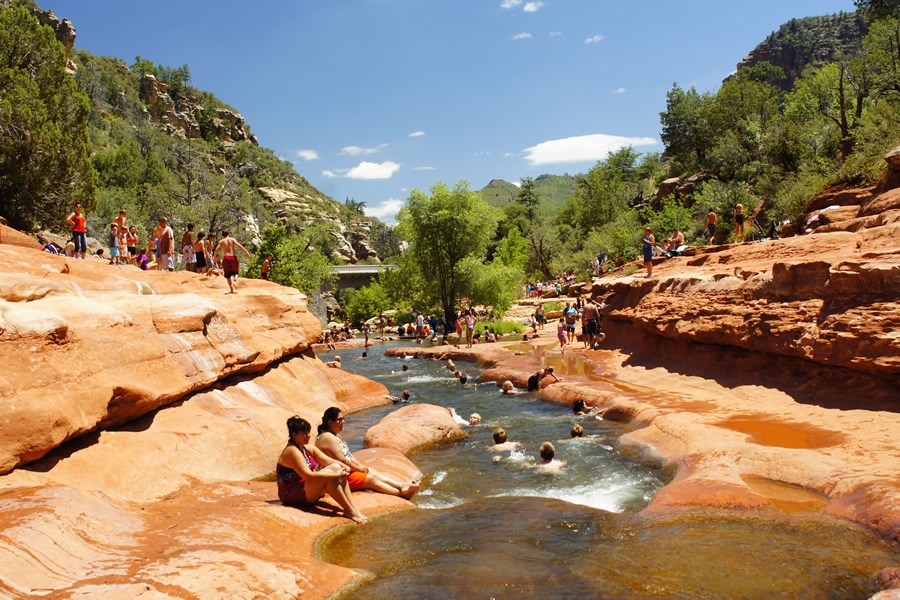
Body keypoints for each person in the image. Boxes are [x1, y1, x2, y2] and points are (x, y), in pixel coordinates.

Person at [276, 415, 367, 524]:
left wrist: (344, 467)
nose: (308, 435)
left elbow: (328, 461)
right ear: (294, 435)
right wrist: (335, 475)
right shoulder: (292, 451)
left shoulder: (307, 448)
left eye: (308, 432)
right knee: (329, 477)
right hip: (291, 493)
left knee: (336, 468)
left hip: (306, 487)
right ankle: (349, 510)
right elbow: (308, 475)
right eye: (304, 433)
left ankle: (353, 508)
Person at [315, 408, 420, 499]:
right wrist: (358, 469)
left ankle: (401, 485)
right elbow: (342, 460)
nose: (343, 422)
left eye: (343, 419)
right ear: (330, 422)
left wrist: (360, 466)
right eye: (339, 420)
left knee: (371, 471)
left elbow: (348, 454)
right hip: (335, 476)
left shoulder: (335, 435)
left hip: (345, 471)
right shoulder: (327, 437)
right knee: (370, 479)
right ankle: (400, 494)